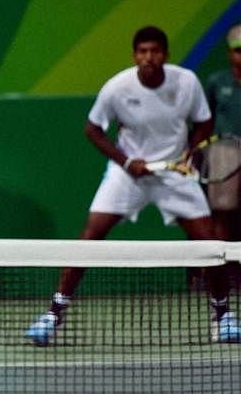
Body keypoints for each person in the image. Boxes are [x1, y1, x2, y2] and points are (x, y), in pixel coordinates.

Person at [25, 25, 241, 347]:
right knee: (91, 235)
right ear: (134, 55)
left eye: (155, 51)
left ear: (165, 55)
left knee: (208, 241)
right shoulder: (117, 87)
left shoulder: (187, 82)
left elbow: (204, 120)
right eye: (142, 52)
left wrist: (190, 153)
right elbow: (93, 129)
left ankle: (223, 316)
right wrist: (127, 161)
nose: (148, 57)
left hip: (174, 172)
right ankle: (53, 314)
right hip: (127, 174)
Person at [204, 23, 241, 242]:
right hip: (224, 152)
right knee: (222, 213)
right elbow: (205, 121)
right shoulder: (217, 82)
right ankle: (222, 273)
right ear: (229, 53)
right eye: (239, 50)